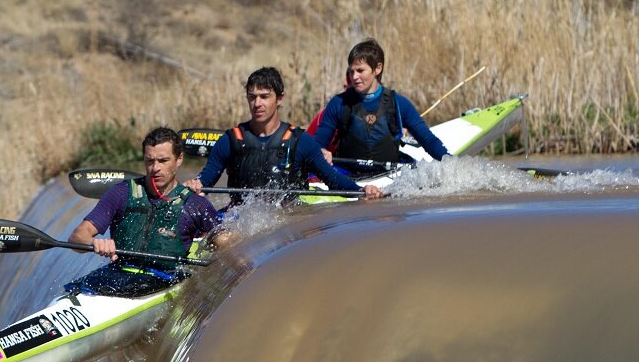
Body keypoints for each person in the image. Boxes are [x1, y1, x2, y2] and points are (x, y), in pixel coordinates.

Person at [183, 66, 382, 205]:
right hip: (242, 219)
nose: (257, 103)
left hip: (290, 218)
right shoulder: (230, 140)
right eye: (252, 97)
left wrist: (361, 191)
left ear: (279, 99)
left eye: (264, 97)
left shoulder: (301, 141)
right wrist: (196, 184)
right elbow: (206, 180)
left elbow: (333, 180)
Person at [65, 126, 226, 296]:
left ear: (179, 159)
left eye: (163, 161)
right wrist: (94, 243)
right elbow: (77, 238)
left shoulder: (196, 205)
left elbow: (229, 244)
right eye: (150, 161)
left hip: (163, 280)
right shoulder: (121, 193)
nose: (155, 168)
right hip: (117, 275)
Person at [311, 38, 449, 169]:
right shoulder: (338, 103)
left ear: (377, 68)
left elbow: (429, 141)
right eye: (352, 71)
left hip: (390, 175)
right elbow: (318, 142)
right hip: (348, 175)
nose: (354, 77)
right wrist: (321, 151)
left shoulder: (399, 104)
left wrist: (452, 163)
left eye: (360, 71)